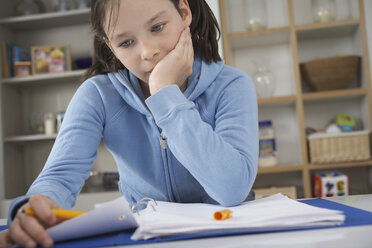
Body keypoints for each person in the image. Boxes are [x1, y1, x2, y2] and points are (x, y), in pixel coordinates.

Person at [0, 0, 258, 247]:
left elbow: (231, 188)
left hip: (225, 237)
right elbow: (59, 177)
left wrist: (165, 95)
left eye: (157, 27)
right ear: (110, 47)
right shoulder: (98, 95)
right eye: (126, 42)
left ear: (184, 12)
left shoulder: (231, 85)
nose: (148, 52)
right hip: (146, 238)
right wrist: (35, 208)